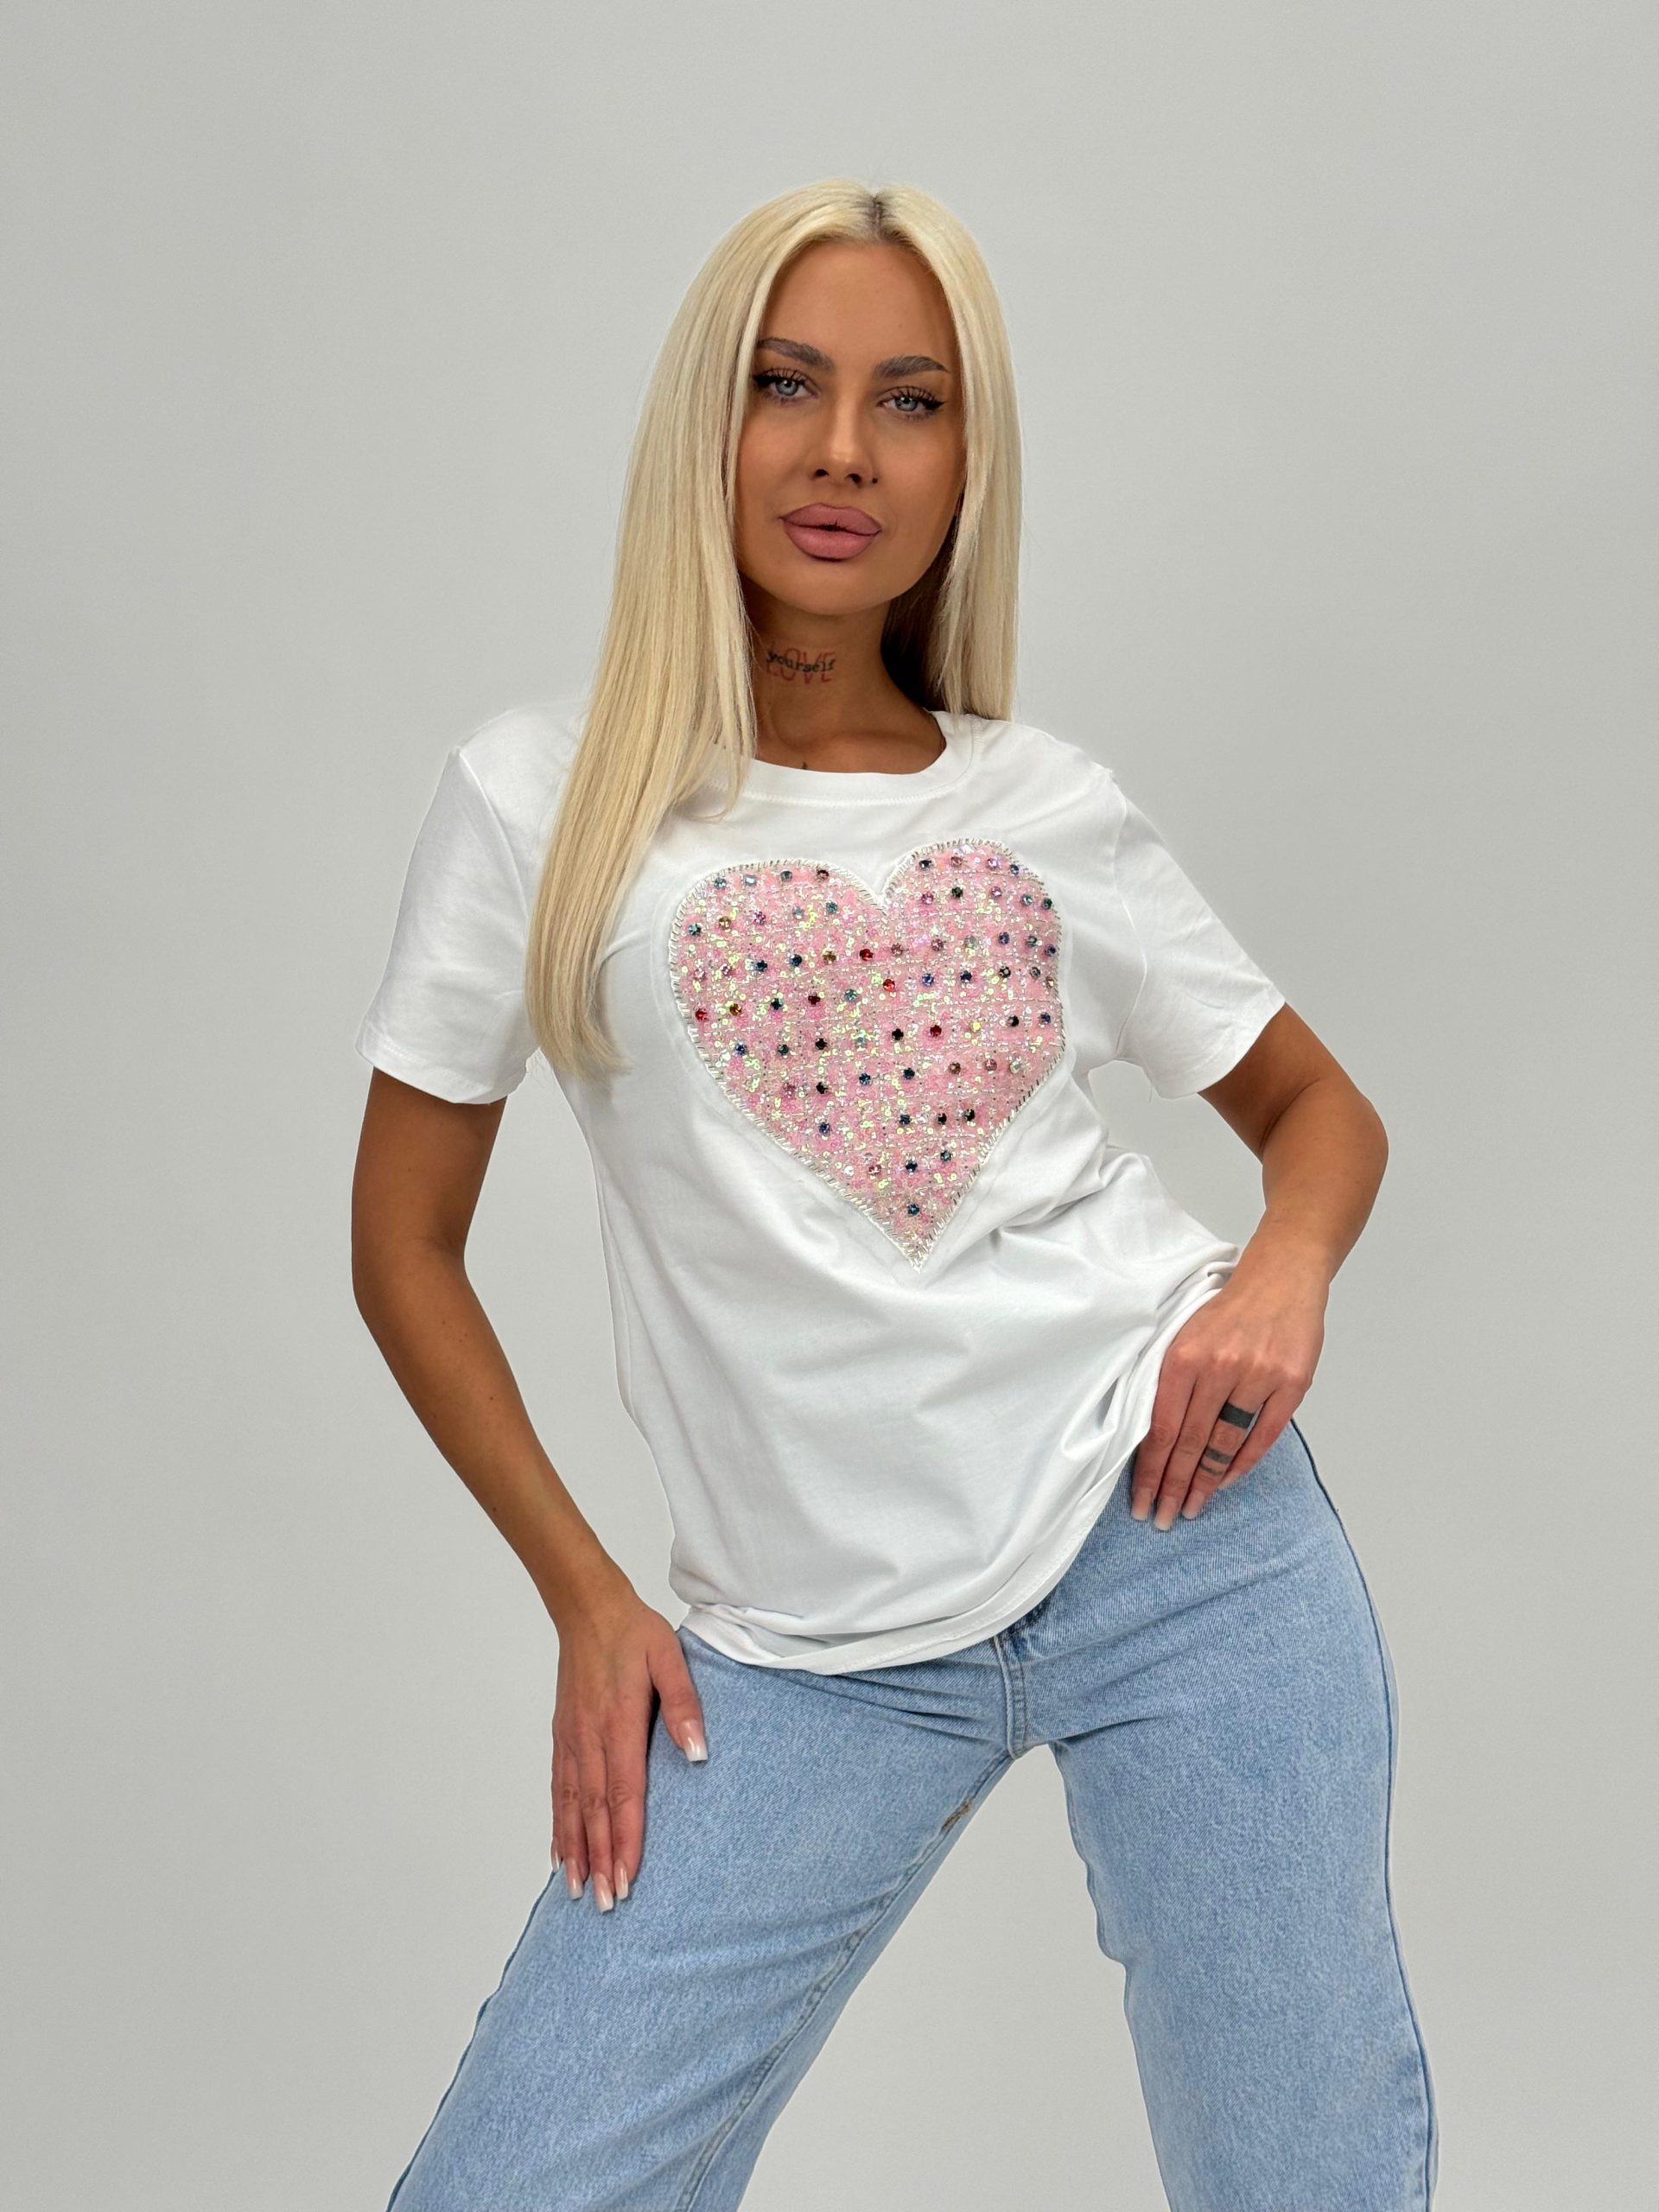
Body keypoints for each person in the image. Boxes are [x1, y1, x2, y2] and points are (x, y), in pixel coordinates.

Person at [350, 178, 1439, 2211]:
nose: (844, 449)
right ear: (707, 421)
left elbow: (1320, 1109)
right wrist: (587, 1592)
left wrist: (1278, 1275)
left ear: (963, 459)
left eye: (910, 401)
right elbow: (402, 1245)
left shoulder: (1041, 803)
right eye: (788, 386)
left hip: (1182, 1542)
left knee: (1305, 2175)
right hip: (803, 1642)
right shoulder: (537, 797)